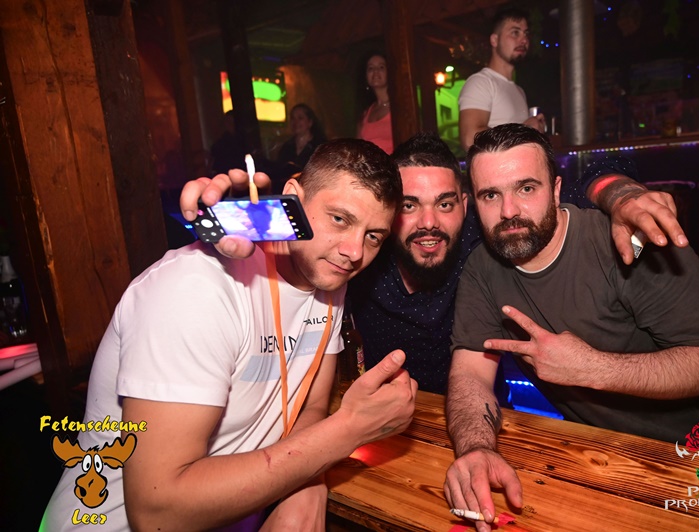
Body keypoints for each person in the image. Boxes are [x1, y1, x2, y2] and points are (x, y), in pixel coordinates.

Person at [41, 139, 417, 531]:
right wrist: (349, 430)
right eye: (339, 219)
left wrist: (308, 482)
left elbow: (310, 407)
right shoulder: (194, 290)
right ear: (293, 197)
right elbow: (155, 512)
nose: (354, 251)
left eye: (373, 236)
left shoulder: (328, 276)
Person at [444, 124, 699, 531]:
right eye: (491, 195)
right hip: (606, 453)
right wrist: (476, 448)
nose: (508, 211)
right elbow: (470, 374)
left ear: (556, 190)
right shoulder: (481, 270)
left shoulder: (627, 241)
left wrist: (592, 368)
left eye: (526, 188)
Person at [349, 134, 689, 396]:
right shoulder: (361, 260)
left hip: (483, 416)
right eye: (409, 206)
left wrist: (621, 195)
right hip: (383, 418)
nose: (429, 222)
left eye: (445, 204)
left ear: (465, 205)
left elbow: (582, 181)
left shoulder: (490, 234)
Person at [458, 7, 546, 151]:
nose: (524, 40)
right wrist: (524, 130)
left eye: (526, 34)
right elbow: (469, 139)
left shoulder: (519, 90)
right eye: (515, 33)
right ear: (494, 40)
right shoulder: (481, 82)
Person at [357, 52, 394, 154]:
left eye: (381, 67)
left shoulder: (400, 108)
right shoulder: (365, 113)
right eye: (371, 68)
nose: (376, 71)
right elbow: (358, 150)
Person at [276, 104, 326, 176]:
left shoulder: (320, 146)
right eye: (293, 118)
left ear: (310, 122)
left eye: (300, 118)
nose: (295, 122)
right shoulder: (286, 147)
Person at [210, 110, 247, 175]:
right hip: (225, 173)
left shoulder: (243, 139)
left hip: (241, 171)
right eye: (227, 122)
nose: (229, 125)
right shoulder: (221, 142)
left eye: (231, 122)